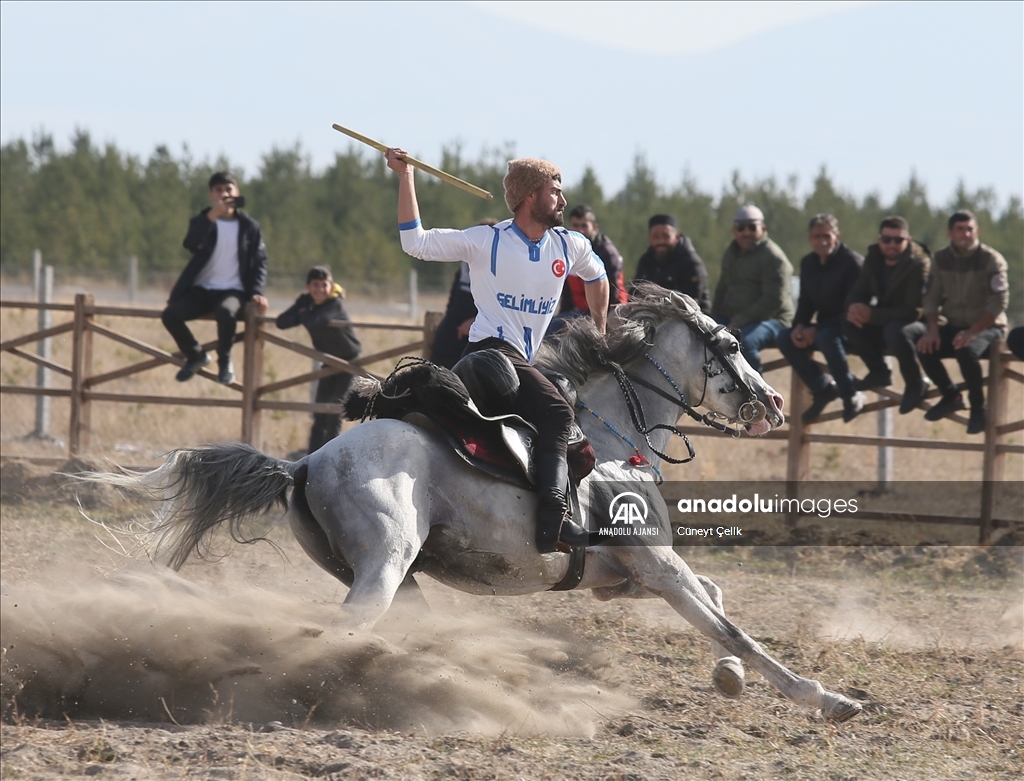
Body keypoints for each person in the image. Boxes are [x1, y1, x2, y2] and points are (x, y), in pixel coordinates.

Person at [385, 147, 610, 554]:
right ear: (529, 197)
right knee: (559, 411)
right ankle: (552, 524)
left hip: (525, 359)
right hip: (492, 353)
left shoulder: (569, 245)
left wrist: (600, 324)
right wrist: (406, 177)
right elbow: (414, 242)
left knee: (565, 401)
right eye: (554, 191)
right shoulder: (486, 240)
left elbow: (598, 274)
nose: (562, 199)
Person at [905, 210, 1009, 434]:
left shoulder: (990, 259)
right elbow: (931, 298)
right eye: (960, 229)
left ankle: (979, 409)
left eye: (970, 229)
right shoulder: (940, 259)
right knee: (924, 347)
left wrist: (974, 331)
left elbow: (999, 300)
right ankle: (951, 395)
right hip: (954, 322)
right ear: (950, 232)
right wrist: (932, 330)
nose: (966, 234)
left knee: (966, 351)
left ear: (977, 231)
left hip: (988, 326)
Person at [162, 172, 269, 384]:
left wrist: (257, 292)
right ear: (211, 195)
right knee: (170, 315)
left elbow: (259, 262)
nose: (224, 194)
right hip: (202, 289)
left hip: (233, 290)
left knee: (226, 312)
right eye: (219, 190)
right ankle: (195, 355)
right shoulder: (203, 222)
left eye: (228, 189)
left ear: (237, 193)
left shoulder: (250, 227)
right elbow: (190, 244)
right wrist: (211, 216)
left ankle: (224, 361)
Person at [776, 214, 865, 422]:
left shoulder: (853, 263)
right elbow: (806, 301)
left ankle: (851, 394)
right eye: (817, 236)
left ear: (837, 236)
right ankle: (822, 388)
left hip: (853, 326)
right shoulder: (808, 263)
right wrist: (799, 326)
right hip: (826, 325)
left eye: (827, 235)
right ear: (810, 239)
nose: (823, 241)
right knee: (784, 338)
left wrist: (815, 330)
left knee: (826, 338)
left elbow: (853, 309)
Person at [843, 216, 931, 414]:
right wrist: (854, 308)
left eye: (898, 240)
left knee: (896, 331)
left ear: (907, 241)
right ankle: (878, 371)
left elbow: (914, 310)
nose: (892, 244)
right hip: (886, 318)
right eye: (887, 239)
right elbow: (859, 290)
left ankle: (915, 383)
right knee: (847, 321)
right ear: (879, 240)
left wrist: (871, 315)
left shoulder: (919, 263)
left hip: (921, 324)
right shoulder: (874, 258)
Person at [275, 266, 362, 454]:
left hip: (348, 362)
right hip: (328, 362)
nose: (320, 290)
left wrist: (304, 313)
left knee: (335, 410)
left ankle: (331, 454)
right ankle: (313, 454)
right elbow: (281, 322)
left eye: (325, 285)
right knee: (320, 411)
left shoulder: (335, 304)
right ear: (308, 286)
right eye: (316, 285)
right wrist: (305, 311)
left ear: (331, 286)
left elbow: (315, 321)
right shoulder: (306, 302)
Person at [711, 205, 794, 373]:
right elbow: (722, 289)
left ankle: (758, 396)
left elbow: (773, 301)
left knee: (744, 343)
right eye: (741, 227)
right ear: (734, 230)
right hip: (736, 318)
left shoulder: (773, 257)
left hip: (773, 320)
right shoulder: (731, 253)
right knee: (704, 338)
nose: (746, 232)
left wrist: (738, 322)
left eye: (752, 227)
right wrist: (712, 318)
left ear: (763, 228)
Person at [548, 205, 627, 333]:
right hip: (579, 312)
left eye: (584, 226)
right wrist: (566, 319)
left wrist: (591, 323)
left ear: (594, 227)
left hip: (610, 310)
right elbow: (567, 294)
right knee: (552, 327)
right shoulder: (568, 250)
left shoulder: (608, 253)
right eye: (575, 225)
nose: (580, 230)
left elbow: (614, 292)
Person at [634, 214, 711, 313]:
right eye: (656, 236)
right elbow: (635, 290)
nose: (661, 241)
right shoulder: (646, 261)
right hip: (653, 314)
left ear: (677, 237)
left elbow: (692, 300)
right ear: (649, 238)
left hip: (690, 317)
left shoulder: (690, 262)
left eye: (666, 236)